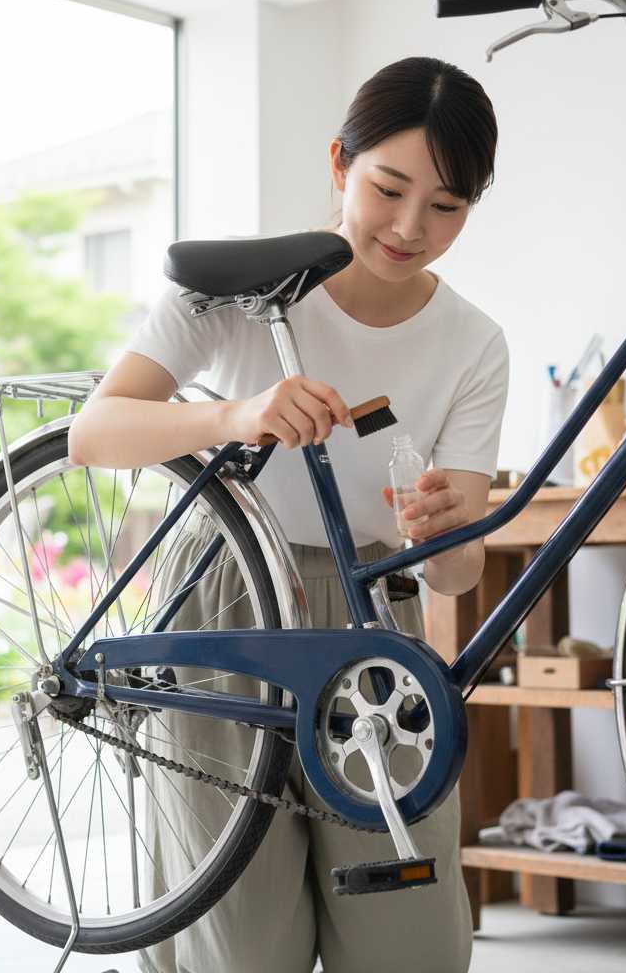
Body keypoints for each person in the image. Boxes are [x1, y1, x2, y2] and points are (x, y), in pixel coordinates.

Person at [67, 55, 510, 973]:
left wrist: (441, 535)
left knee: (410, 935)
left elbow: (459, 572)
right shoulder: (234, 287)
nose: (408, 226)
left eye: (447, 207)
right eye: (389, 187)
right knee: (241, 944)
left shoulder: (475, 343)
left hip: (374, 618)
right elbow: (95, 432)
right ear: (341, 164)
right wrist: (236, 416)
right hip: (227, 598)